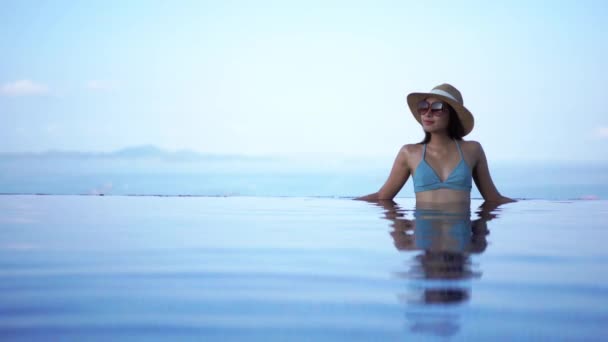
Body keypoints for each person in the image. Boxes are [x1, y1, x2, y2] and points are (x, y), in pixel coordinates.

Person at [356, 83, 514, 204]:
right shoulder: (409, 153)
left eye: (437, 107)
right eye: (424, 107)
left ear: (453, 115)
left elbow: (493, 199)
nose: (428, 113)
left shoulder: (473, 150)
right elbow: (382, 197)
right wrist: (400, 236)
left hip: (461, 244)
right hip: (424, 241)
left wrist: (479, 241)